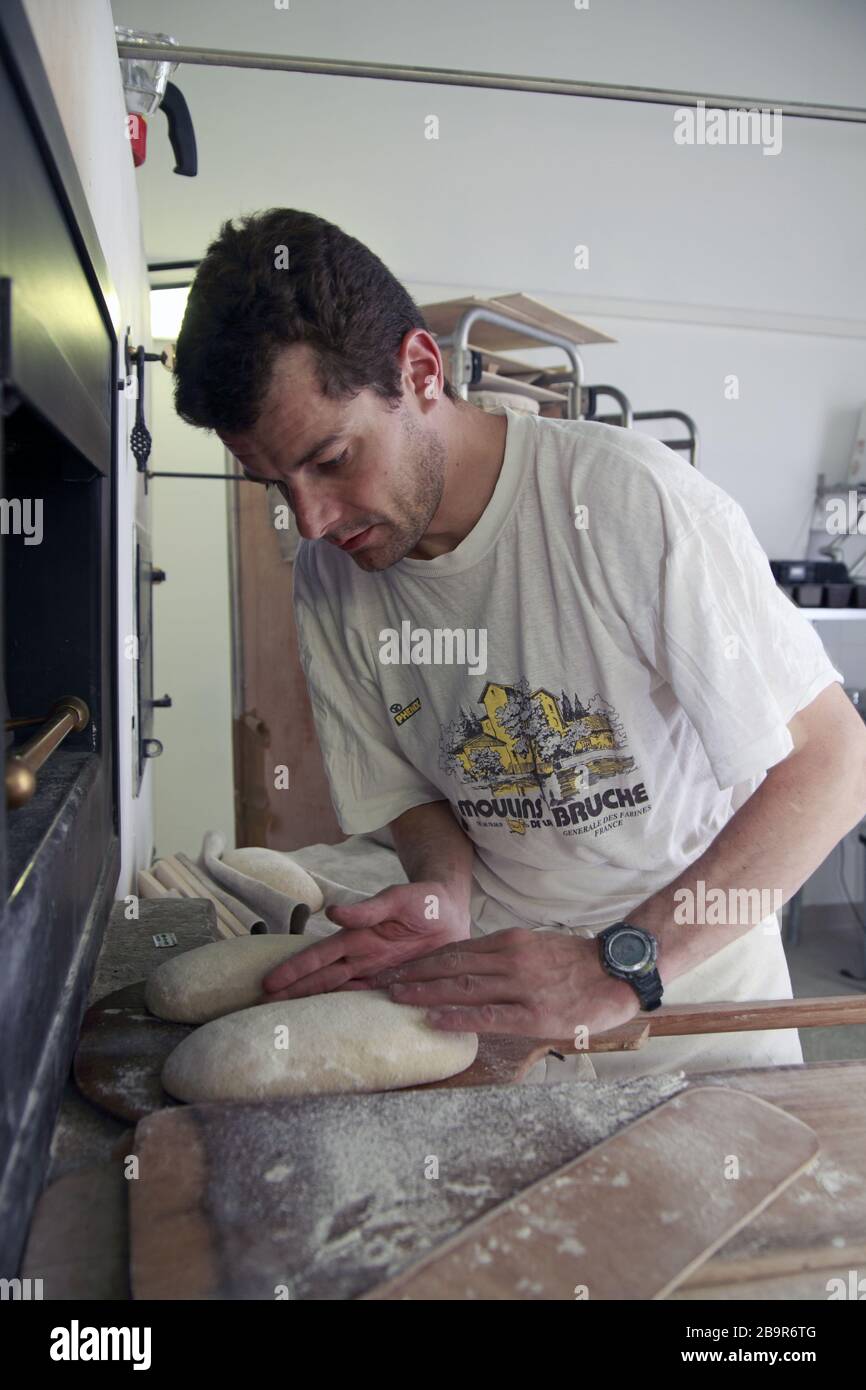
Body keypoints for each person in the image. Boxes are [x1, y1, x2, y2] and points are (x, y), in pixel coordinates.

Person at [173, 208, 866, 1082]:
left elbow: (838, 765)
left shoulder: (627, 504)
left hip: (694, 986)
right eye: (276, 484)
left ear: (420, 371)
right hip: (499, 991)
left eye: (334, 458)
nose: (309, 520)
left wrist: (621, 964)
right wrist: (444, 891)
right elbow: (410, 788)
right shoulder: (332, 574)